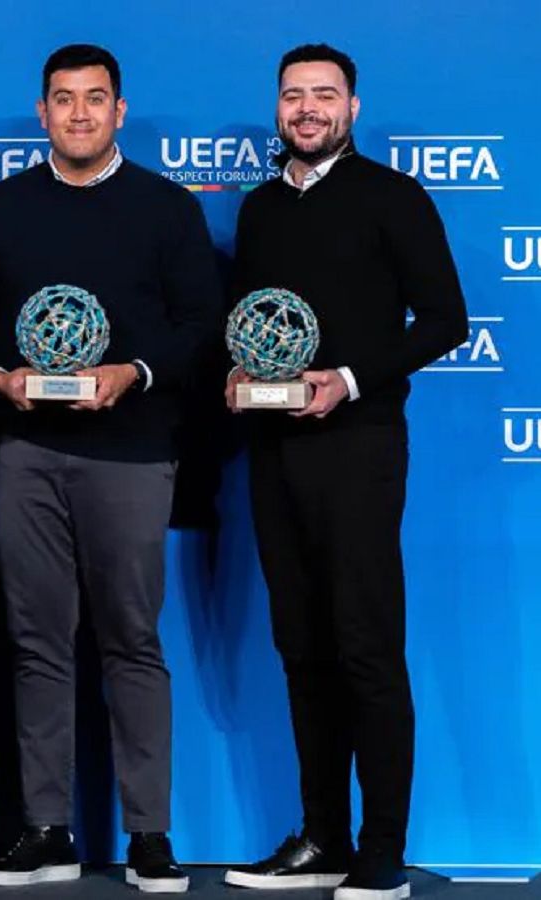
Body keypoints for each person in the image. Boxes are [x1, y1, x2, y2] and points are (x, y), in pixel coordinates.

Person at [0, 43, 222, 894]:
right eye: (63, 99)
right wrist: (1, 378)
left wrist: (132, 372)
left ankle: (149, 834)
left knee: (132, 641)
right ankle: (46, 828)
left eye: (94, 99)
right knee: (35, 645)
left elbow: (201, 326)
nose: (78, 113)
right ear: (42, 113)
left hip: (133, 453)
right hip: (25, 454)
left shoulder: (167, 208)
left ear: (119, 110)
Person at [221, 44, 467, 900]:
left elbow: (445, 319)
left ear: (353, 108)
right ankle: (320, 838)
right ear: (278, 107)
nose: (307, 108)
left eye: (324, 94)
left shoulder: (394, 197)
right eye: (293, 94)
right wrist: (238, 372)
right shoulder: (260, 209)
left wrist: (350, 380)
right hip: (272, 450)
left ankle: (381, 853)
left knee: (366, 647)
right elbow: (248, 322)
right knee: (301, 647)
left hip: (360, 446)